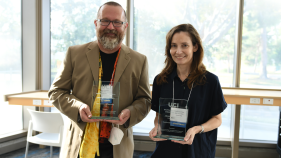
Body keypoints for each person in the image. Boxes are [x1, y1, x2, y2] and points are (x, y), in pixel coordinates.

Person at [48, 2, 151, 158]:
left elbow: (145, 100)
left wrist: (130, 112)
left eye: (117, 22)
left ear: (126, 26)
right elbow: (56, 92)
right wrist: (78, 107)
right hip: (79, 144)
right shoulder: (74, 54)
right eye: (105, 21)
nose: (110, 27)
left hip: (118, 145)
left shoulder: (139, 61)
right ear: (96, 23)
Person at [149, 24, 227, 158]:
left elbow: (217, 119)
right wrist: (157, 127)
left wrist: (197, 129)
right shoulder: (160, 80)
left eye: (184, 45)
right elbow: (158, 116)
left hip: (197, 151)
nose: (178, 51)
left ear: (195, 47)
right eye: (174, 45)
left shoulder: (211, 81)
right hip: (167, 150)